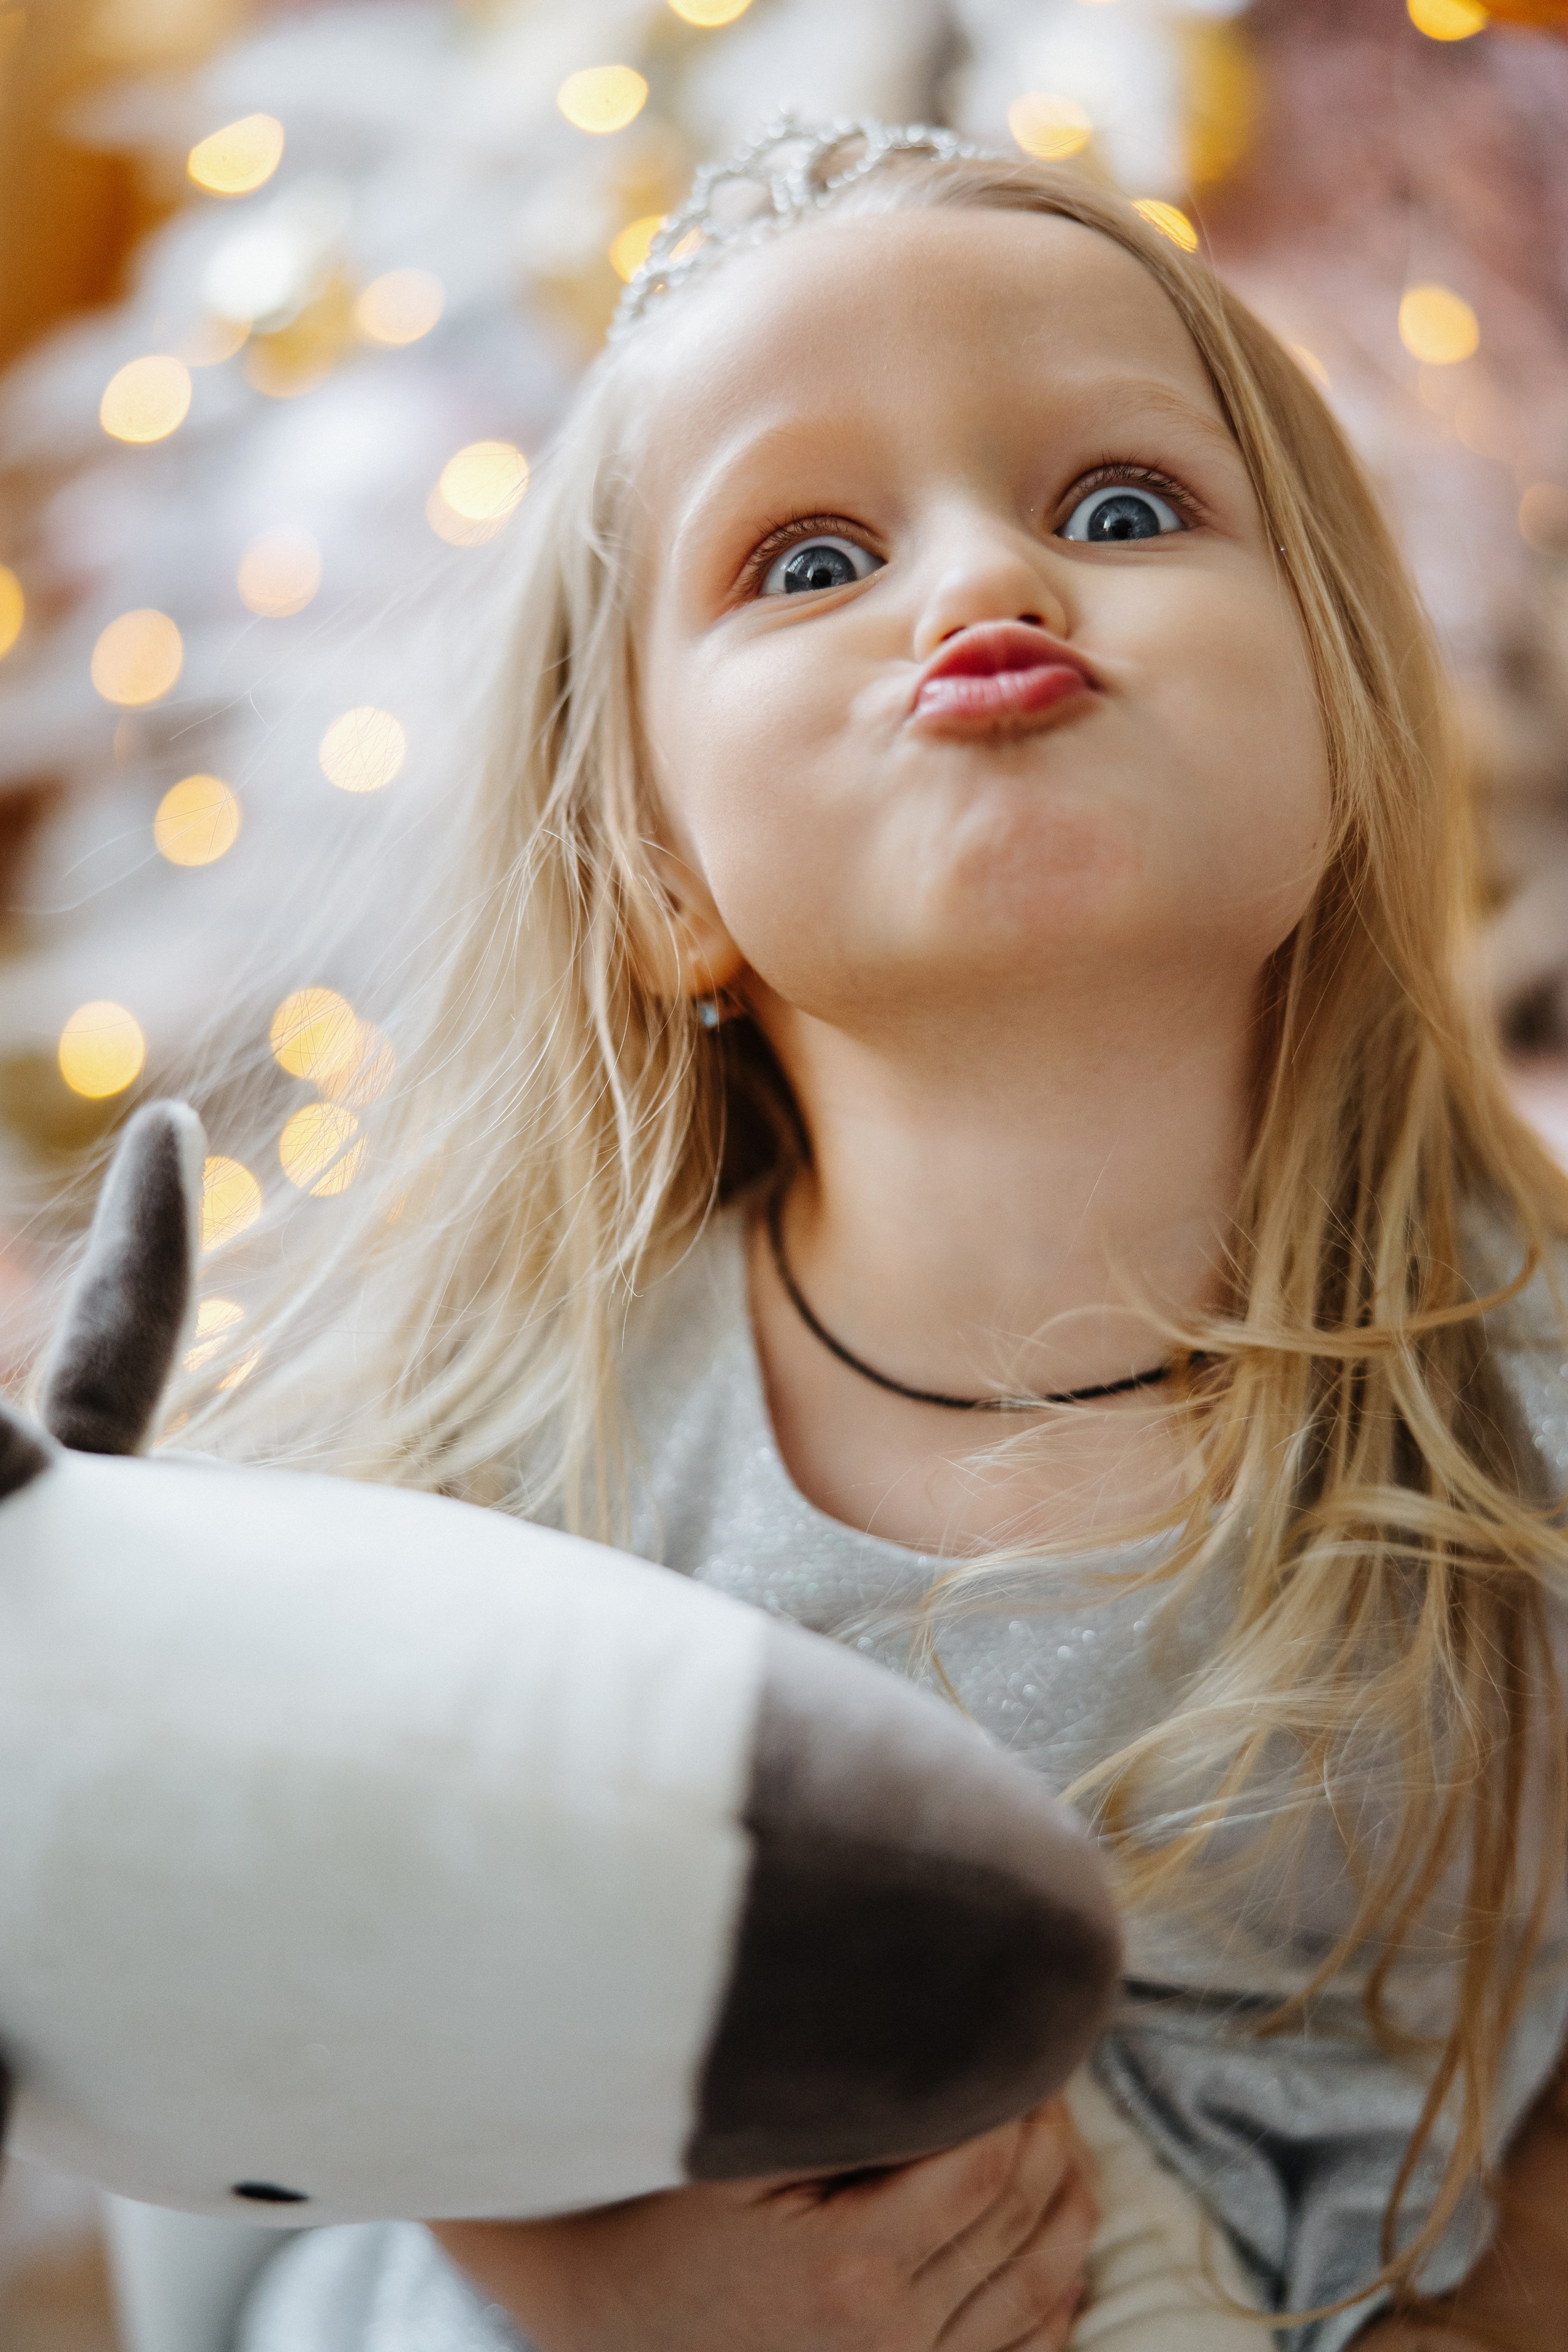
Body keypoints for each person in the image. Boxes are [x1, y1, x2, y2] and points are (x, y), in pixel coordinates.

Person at [185, 119, 1568, 2352]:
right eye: (809, 558)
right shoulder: (507, 1478)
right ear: (650, 871)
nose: (978, 588)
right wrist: (589, 2290)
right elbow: (281, 2048)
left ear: (1342, 702)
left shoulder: (1528, 1401)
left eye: (1121, 509)